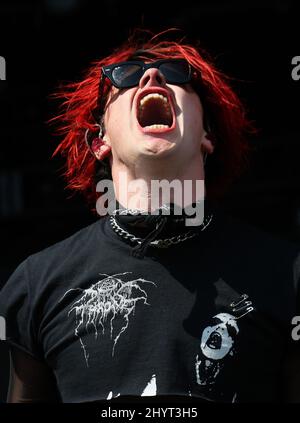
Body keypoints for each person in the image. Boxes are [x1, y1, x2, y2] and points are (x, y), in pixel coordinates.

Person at [0, 29, 299, 403]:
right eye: (123, 76)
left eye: (177, 73)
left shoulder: (286, 274)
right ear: (99, 141)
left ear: (208, 134)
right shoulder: (36, 284)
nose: (152, 77)